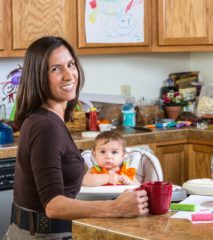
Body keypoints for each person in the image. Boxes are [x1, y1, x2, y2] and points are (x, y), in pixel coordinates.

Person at [5, 36, 148, 240]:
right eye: (56, 69)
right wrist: (115, 207)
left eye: (70, 65)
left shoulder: (49, 120)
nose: (69, 75)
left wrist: (109, 179)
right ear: (38, 76)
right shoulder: (45, 126)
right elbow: (54, 206)